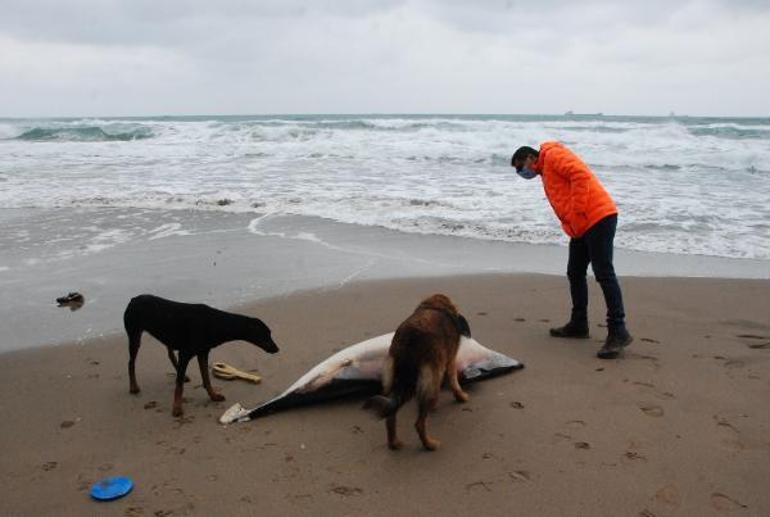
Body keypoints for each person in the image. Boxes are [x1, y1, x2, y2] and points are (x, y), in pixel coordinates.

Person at [511, 142, 633, 359]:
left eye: (521, 166)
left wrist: (576, 213)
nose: (521, 172)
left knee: (604, 273)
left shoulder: (553, 155)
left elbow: (580, 175)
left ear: (531, 157)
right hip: (581, 226)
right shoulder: (545, 171)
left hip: (598, 218)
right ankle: (579, 323)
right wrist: (573, 222)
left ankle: (618, 331)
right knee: (575, 272)